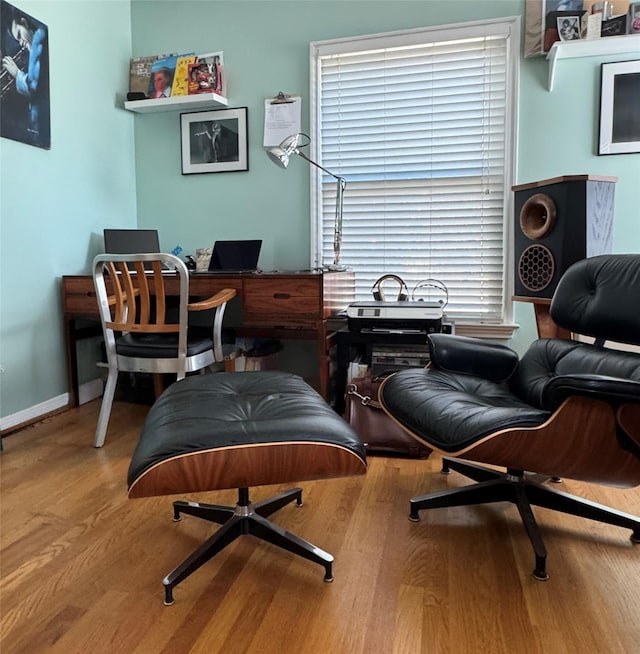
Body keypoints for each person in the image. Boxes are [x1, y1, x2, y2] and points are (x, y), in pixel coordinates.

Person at [1, 7, 49, 147]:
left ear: (24, 22)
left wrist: (16, 73)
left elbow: (32, 87)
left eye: (19, 34)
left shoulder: (39, 38)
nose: (21, 42)